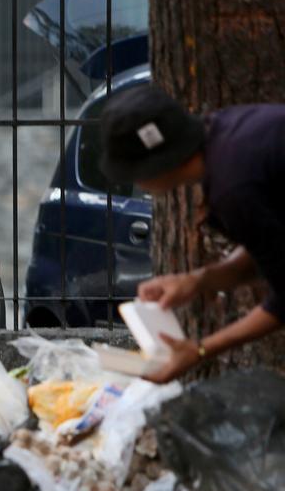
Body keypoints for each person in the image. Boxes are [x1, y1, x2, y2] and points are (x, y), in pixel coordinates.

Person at [99, 85, 285, 383]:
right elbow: (268, 250)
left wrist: (198, 351)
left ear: (152, 167)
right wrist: (197, 280)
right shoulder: (227, 132)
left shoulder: (233, 188)